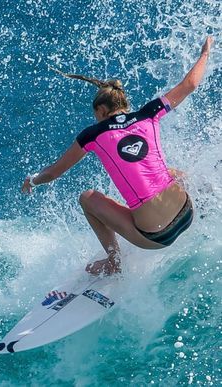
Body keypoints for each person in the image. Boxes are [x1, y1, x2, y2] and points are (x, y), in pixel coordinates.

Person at [22, 37, 213, 275]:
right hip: (187, 213)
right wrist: (205, 53)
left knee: (87, 198)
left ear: (101, 111)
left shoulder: (93, 134)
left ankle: (114, 261)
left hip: (156, 236)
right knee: (167, 172)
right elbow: (190, 85)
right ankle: (211, 199)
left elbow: (53, 172)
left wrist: (32, 180)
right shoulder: (148, 114)